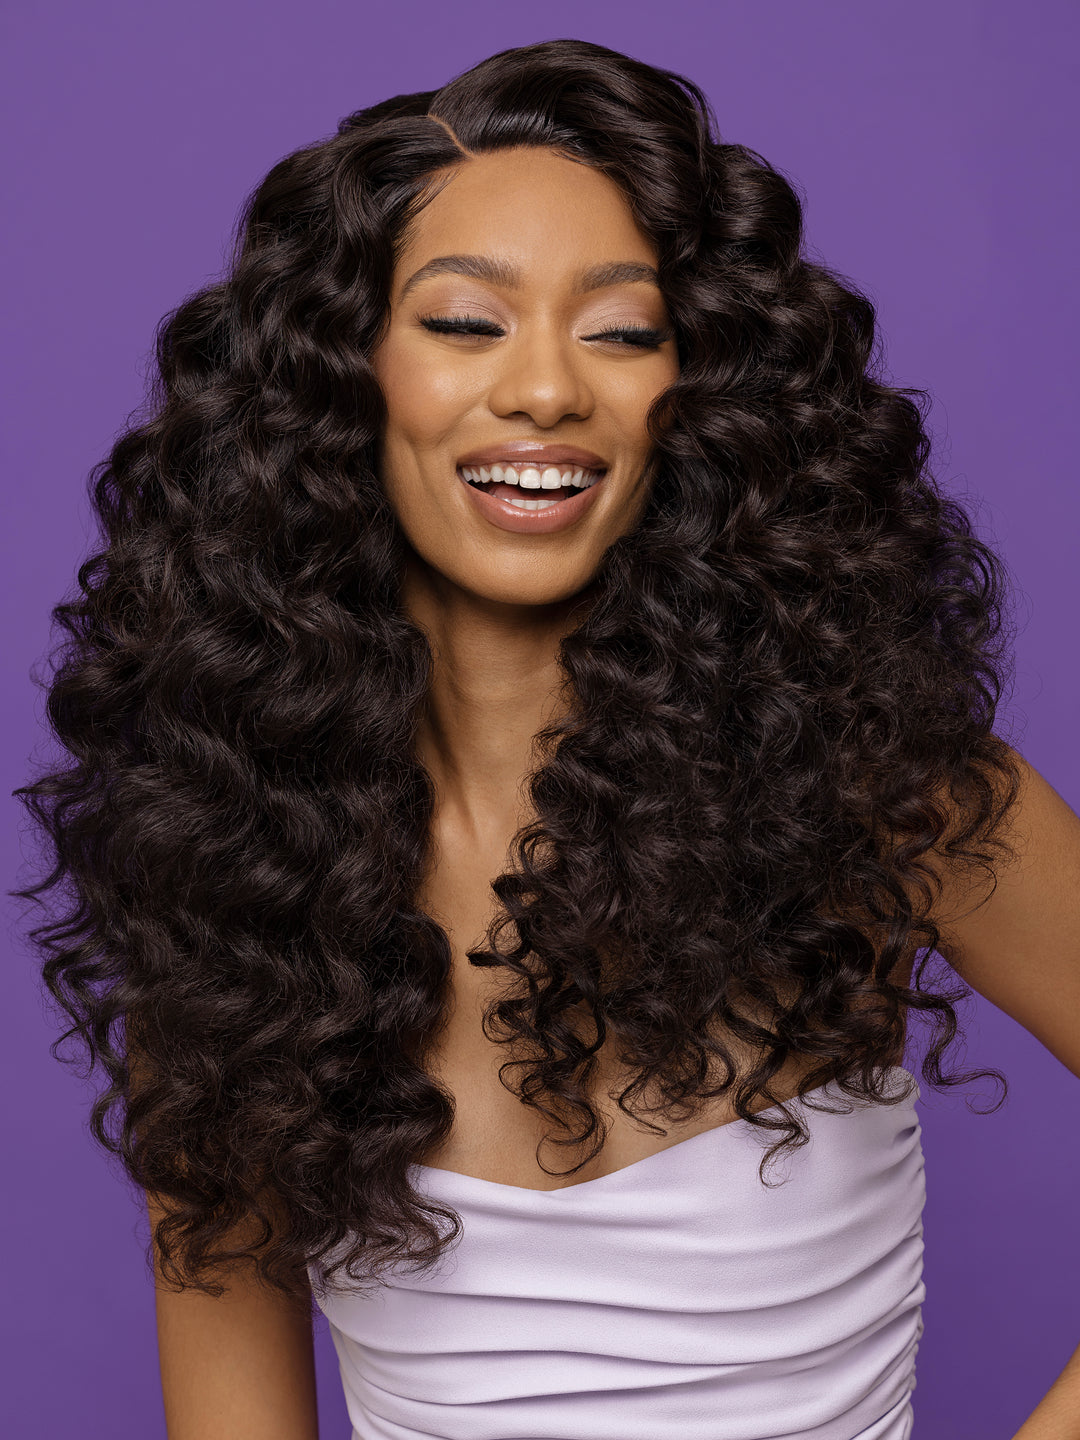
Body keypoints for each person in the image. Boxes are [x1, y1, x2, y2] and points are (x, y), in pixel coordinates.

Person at [14, 36, 1080, 1440]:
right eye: (465, 323)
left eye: (623, 330)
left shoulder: (884, 795)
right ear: (347, 380)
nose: (544, 392)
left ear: (696, 396)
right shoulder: (231, 888)